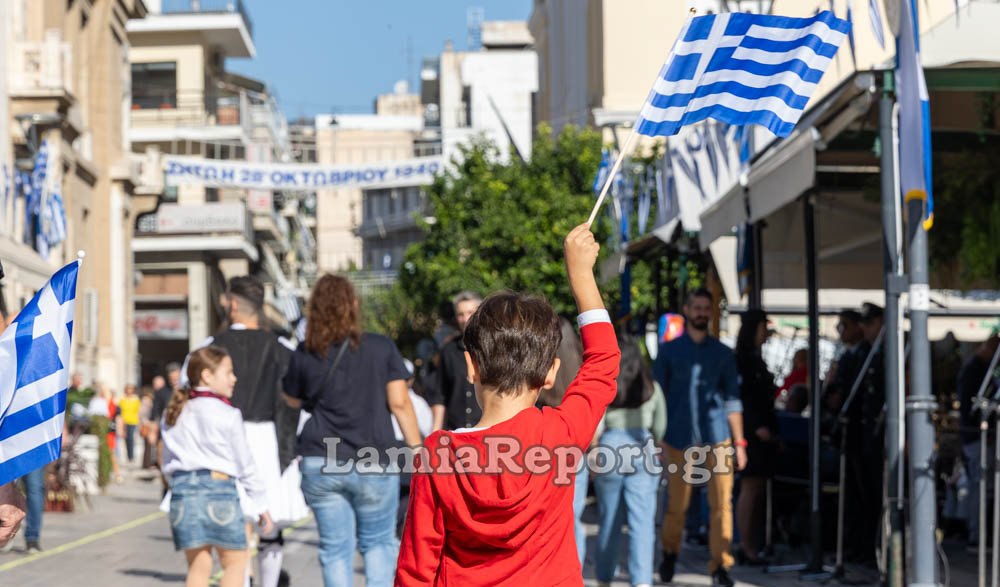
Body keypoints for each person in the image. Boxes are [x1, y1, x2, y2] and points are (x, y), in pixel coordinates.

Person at [395, 223, 620, 585]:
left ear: (471, 367)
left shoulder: (438, 456)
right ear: (550, 374)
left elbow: (416, 571)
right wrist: (581, 276)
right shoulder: (559, 435)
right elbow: (603, 361)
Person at [282, 274, 421, 587]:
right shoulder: (381, 347)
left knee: (335, 549)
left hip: (321, 460)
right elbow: (400, 403)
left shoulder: (305, 352)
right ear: (354, 306)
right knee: (378, 544)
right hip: (374, 458)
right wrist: (418, 451)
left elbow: (290, 399)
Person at [185, 276, 307, 587]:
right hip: (269, 442)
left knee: (235, 527)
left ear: (234, 305)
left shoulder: (209, 348)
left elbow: (187, 398)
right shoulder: (284, 348)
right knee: (270, 526)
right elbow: (297, 403)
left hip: (220, 445)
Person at [654, 288, 746, 587]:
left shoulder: (723, 353)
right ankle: (669, 552)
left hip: (718, 438)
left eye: (707, 308)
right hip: (678, 439)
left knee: (722, 504)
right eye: (697, 307)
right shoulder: (668, 352)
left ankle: (721, 565)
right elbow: (658, 399)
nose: (702, 313)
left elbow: (733, 400)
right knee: (676, 506)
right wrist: (657, 440)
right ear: (686, 310)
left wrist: (740, 442)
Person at [160, 346, 274, 587]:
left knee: (198, 569)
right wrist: (261, 504)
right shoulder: (228, 413)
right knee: (235, 563)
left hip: (182, 493)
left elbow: (166, 461)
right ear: (207, 376)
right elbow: (245, 465)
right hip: (219, 490)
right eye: (229, 372)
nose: (234, 378)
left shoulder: (173, 412)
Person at [593, 333, 666, 587]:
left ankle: (604, 577)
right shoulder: (651, 387)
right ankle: (642, 581)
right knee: (642, 522)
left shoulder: (607, 385)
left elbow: (596, 426)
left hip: (611, 447)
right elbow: (660, 426)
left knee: (609, 519)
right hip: (643, 448)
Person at [734, 310, 778, 566]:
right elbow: (742, 398)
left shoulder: (754, 359)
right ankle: (746, 545)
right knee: (750, 488)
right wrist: (756, 426)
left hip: (762, 434)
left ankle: (751, 544)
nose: (766, 334)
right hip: (752, 434)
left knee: (757, 488)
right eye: (763, 328)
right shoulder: (743, 360)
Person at [959, 334, 1000, 550]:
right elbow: (971, 409)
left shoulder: (977, 369)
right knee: (981, 486)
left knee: (983, 486)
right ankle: (978, 535)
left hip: (977, 436)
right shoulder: (975, 371)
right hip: (978, 437)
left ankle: (980, 534)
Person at [428, 291, 483, 430]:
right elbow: (440, 396)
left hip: (486, 430)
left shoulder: (495, 349)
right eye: (460, 314)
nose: (465, 319)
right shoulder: (448, 351)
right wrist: (435, 433)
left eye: (470, 312)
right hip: (456, 430)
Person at [119, 384, 142, 465]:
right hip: (124, 421)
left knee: (131, 438)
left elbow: (138, 411)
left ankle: (131, 456)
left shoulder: (136, 399)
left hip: (133, 421)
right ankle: (127, 455)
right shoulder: (123, 399)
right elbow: (121, 410)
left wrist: (139, 421)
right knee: (125, 438)